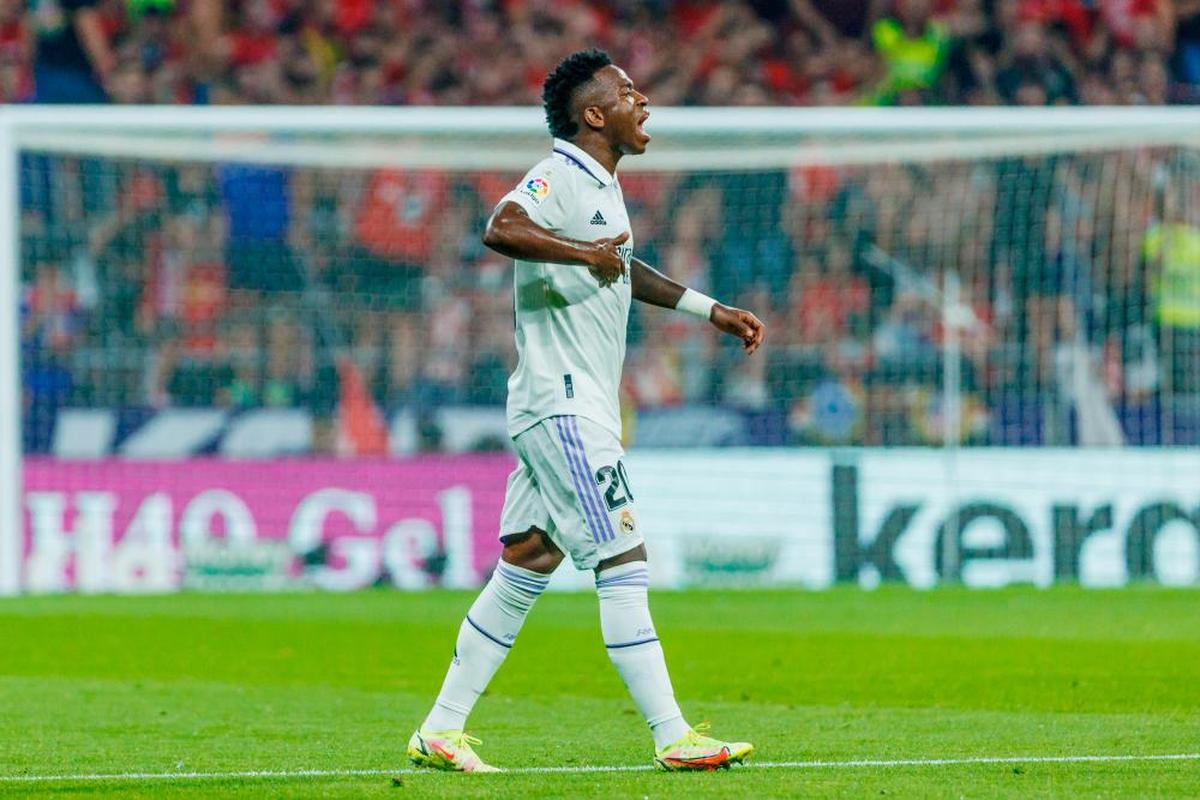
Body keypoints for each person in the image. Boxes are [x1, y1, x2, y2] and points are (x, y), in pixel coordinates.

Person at [408, 49, 765, 774]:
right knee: (624, 557)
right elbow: (500, 227)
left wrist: (709, 310)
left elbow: (621, 266)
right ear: (594, 114)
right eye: (629, 93)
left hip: (567, 404)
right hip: (565, 405)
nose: (645, 103)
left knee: (528, 561)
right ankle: (672, 735)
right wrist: (580, 253)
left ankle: (439, 729)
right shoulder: (563, 173)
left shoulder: (601, 186)